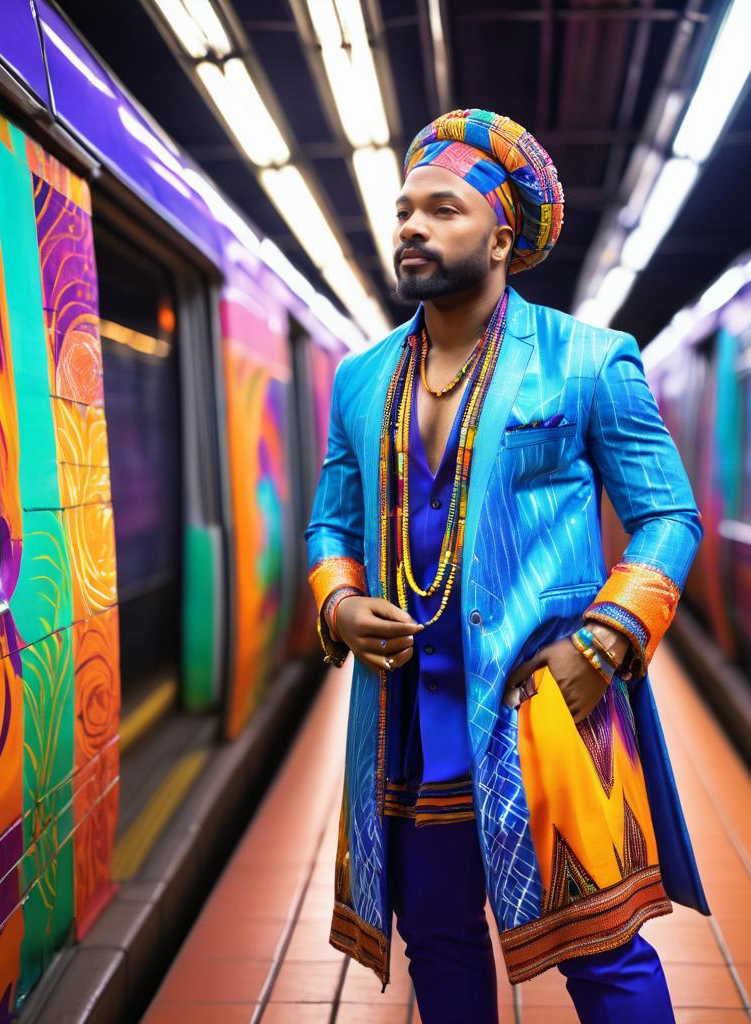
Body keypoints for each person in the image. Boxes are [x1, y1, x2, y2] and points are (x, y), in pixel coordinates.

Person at [304, 108, 709, 1023]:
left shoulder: (590, 362)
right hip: (409, 725)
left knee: (604, 957)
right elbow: (329, 525)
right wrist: (338, 607)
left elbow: (669, 517)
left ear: (501, 236)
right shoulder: (362, 379)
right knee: (437, 946)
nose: (411, 225)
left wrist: (601, 645)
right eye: (405, 208)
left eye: (442, 209)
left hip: (545, 716)